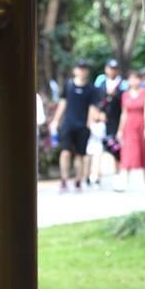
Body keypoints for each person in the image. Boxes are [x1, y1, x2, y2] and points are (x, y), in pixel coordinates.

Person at [49, 59, 101, 193]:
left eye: (84, 68)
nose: (82, 71)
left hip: (83, 125)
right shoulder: (69, 85)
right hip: (68, 124)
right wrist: (55, 120)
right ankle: (64, 179)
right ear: (75, 70)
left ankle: (78, 180)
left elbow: (92, 108)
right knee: (65, 152)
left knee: (80, 155)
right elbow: (63, 103)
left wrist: (90, 123)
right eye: (80, 68)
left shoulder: (92, 89)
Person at [118, 69, 145, 190]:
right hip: (129, 127)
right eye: (131, 78)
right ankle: (124, 180)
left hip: (143, 124)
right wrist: (120, 130)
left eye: (136, 78)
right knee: (127, 152)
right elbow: (124, 113)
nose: (133, 81)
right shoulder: (125, 95)